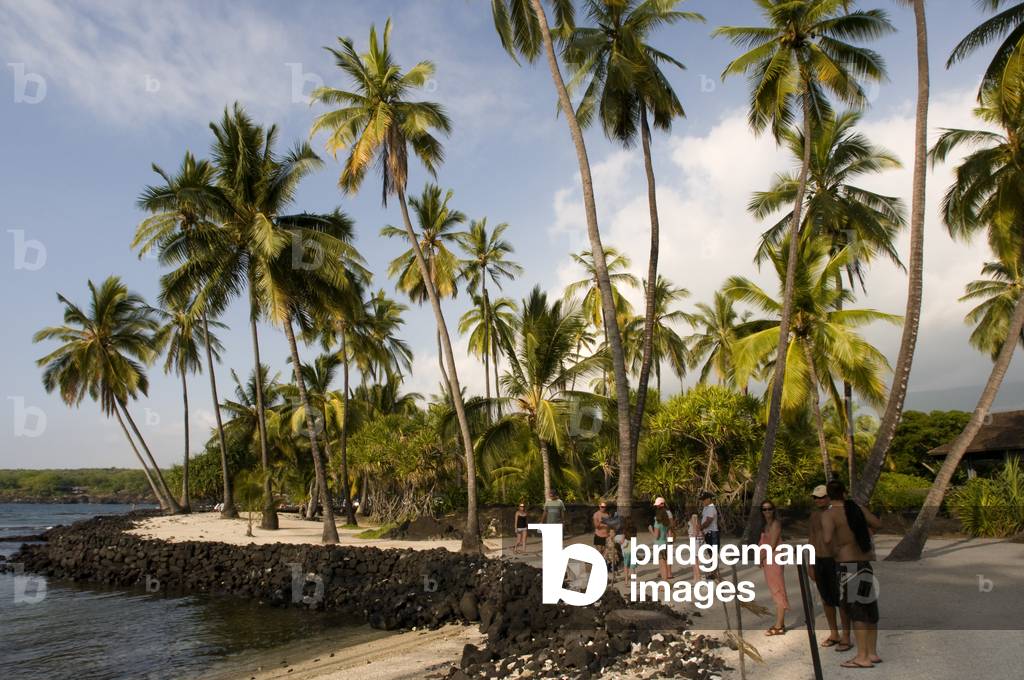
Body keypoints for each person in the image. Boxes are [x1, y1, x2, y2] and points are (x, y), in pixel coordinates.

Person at [821, 480, 883, 669]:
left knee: (856, 612)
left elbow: (827, 539)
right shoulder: (857, 509)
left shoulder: (829, 514)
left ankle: (862, 657)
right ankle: (872, 653)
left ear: (829, 495)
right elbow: (877, 524)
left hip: (847, 566)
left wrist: (837, 547)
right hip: (864, 564)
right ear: (844, 492)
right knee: (869, 609)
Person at [808, 484, 850, 651]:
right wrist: (810, 563)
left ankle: (846, 635)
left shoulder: (838, 514)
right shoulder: (814, 516)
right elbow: (811, 538)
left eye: (822, 497)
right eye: (815, 497)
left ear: (829, 497)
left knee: (841, 599)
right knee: (826, 599)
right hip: (819, 560)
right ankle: (834, 632)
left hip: (836, 560)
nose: (818, 500)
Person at [759, 500, 790, 635]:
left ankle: (779, 626)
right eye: (764, 509)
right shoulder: (766, 525)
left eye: (769, 509)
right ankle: (780, 623)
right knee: (774, 589)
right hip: (768, 560)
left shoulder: (775, 524)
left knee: (778, 589)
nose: (767, 512)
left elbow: (772, 545)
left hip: (773, 559)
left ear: (773, 510)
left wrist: (760, 557)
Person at [649, 497, 672, 580]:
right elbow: (669, 531)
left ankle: (664, 582)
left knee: (662, 565)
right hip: (665, 543)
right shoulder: (667, 521)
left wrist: (651, 530)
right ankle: (664, 582)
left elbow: (656, 536)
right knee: (664, 564)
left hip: (659, 545)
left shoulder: (657, 522)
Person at [687, 511, 705, 582]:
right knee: (694, 559)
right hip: (697, 539)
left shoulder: (694, 516)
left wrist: (693, 535)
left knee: (695, 560)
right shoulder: (696, 516)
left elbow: (696, 529)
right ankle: (696, 576)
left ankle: (698, 577)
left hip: (695, 539)